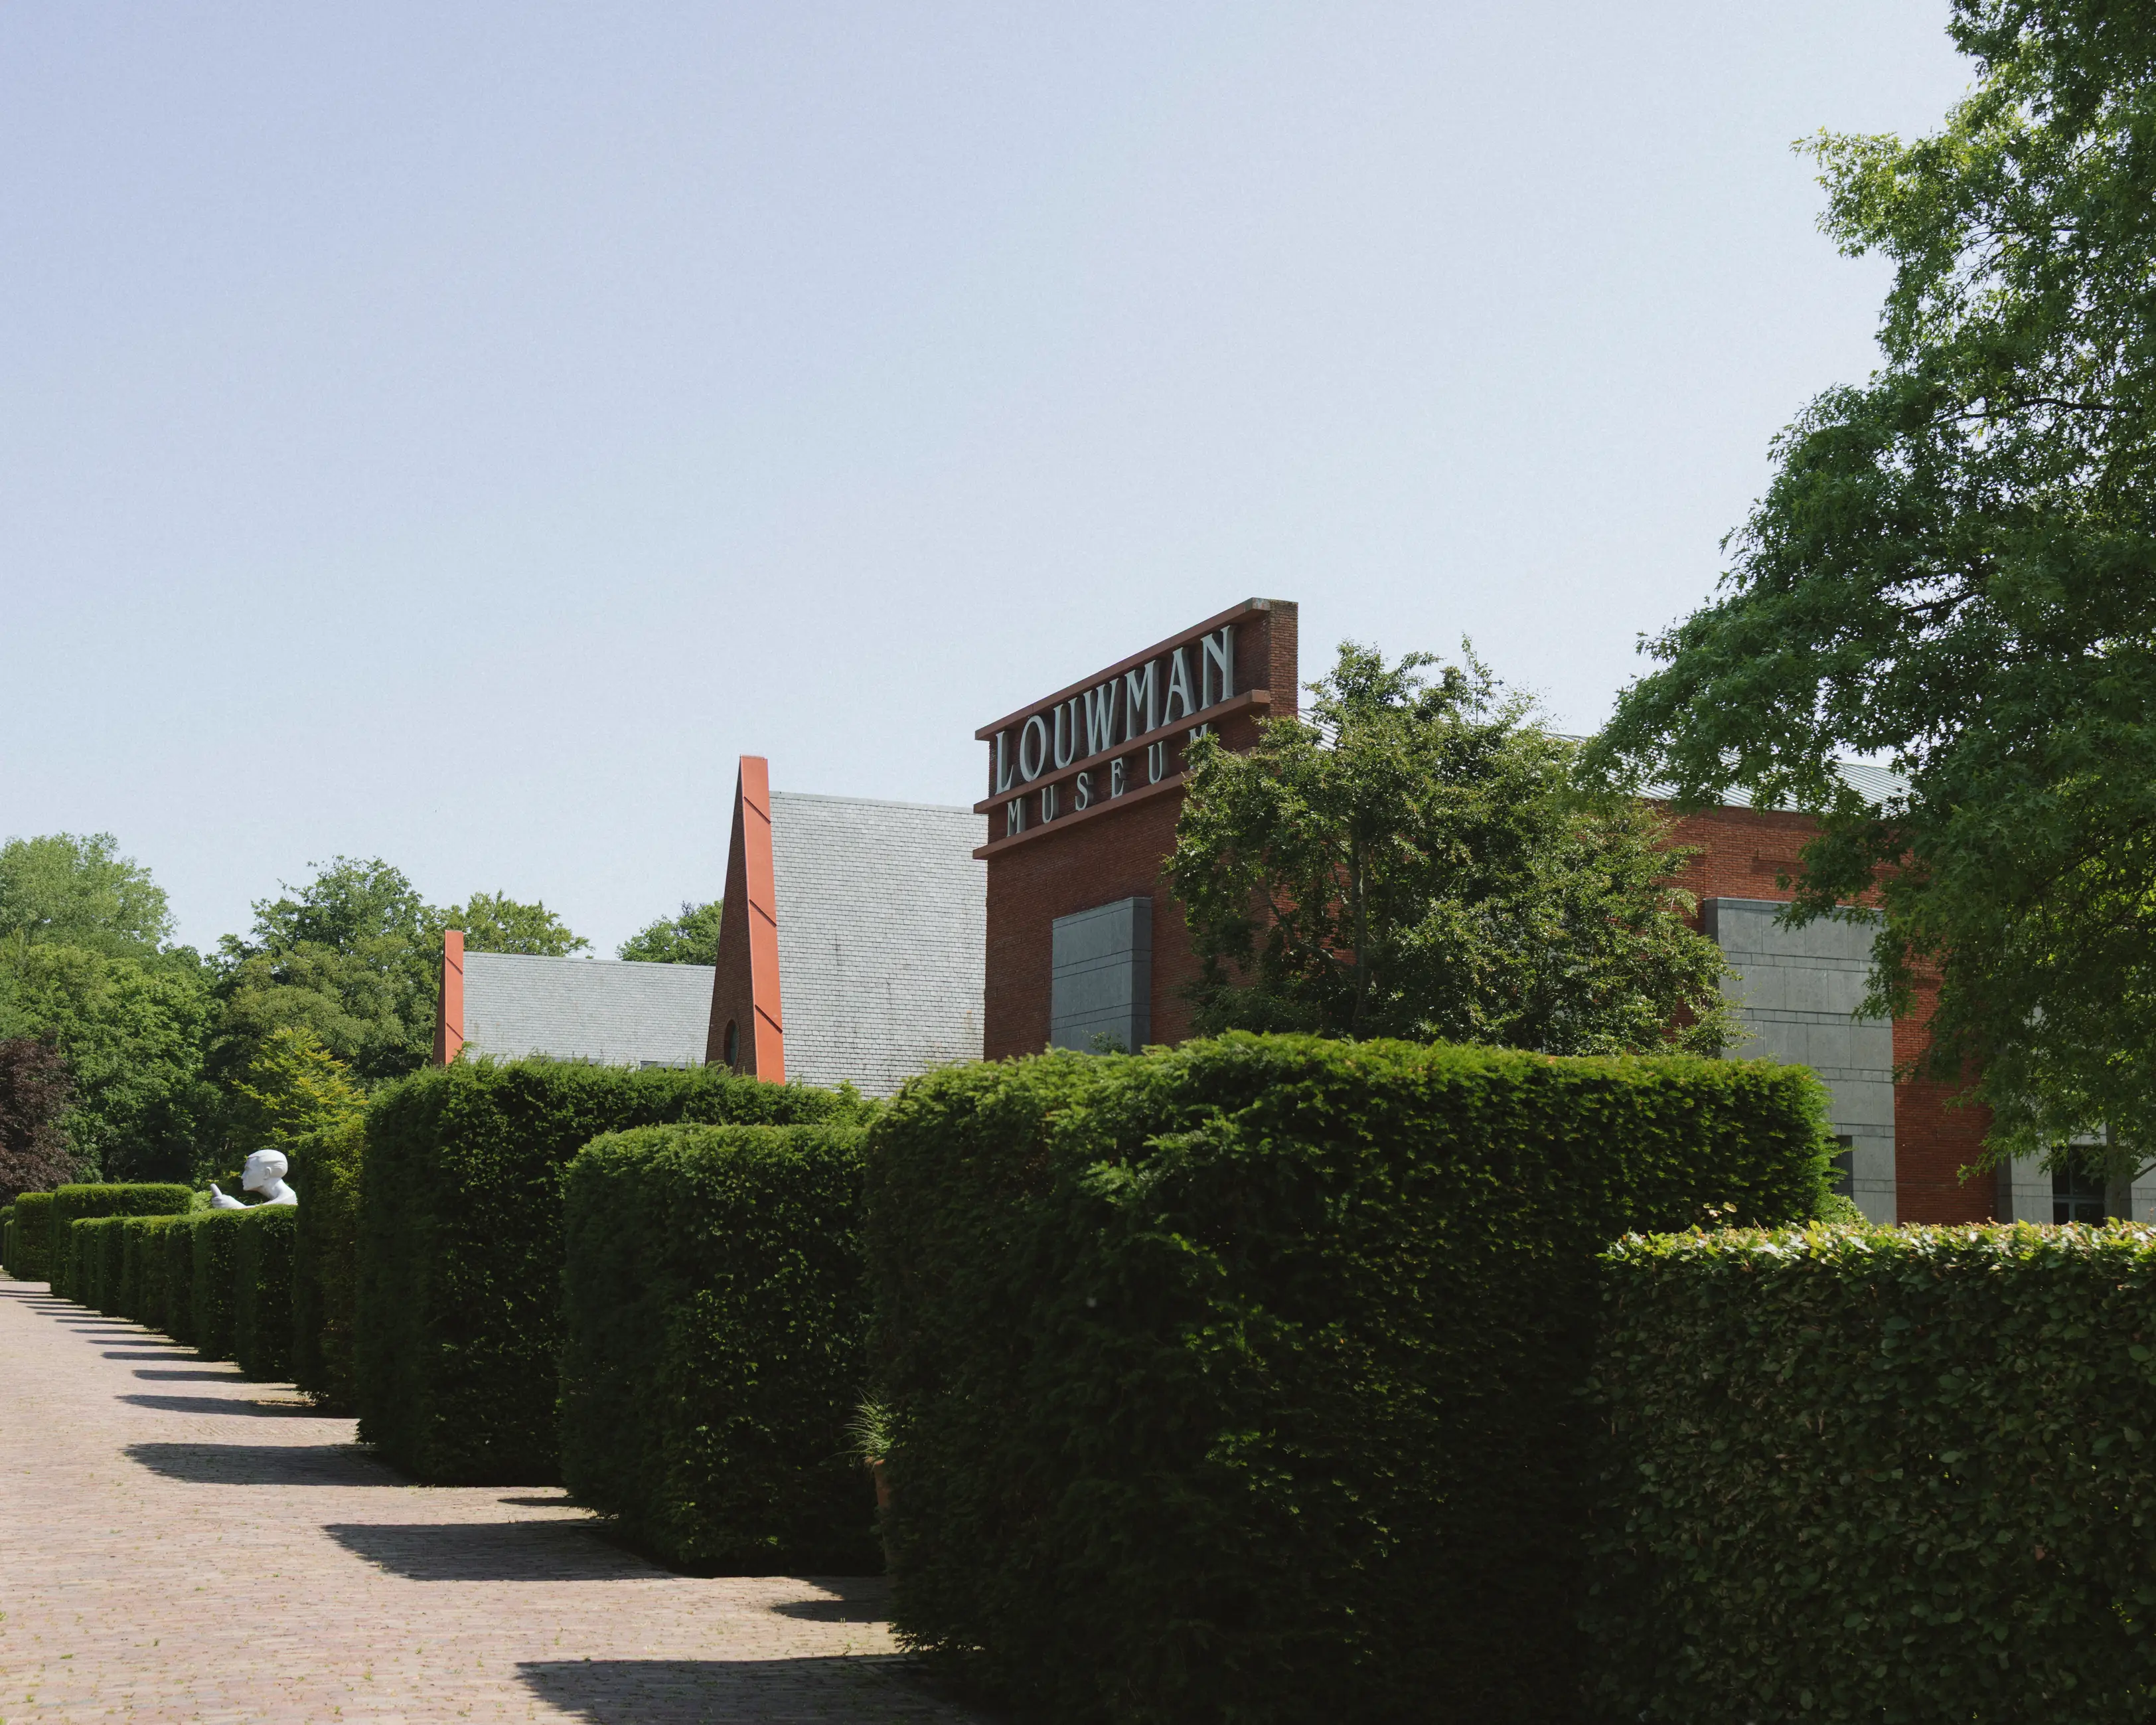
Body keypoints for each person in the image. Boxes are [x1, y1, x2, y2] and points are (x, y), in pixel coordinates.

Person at [207, 1147, 297, 1209]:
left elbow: (260, 1213)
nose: (243, 1176)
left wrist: (237, 1208)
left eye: (248, 1170)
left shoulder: (289, 1200)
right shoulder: (284, 1199)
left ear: (267, 1173)